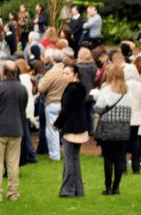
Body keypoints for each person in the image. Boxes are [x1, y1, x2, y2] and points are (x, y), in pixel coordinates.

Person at [0, 62, 28, 202]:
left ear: (3, 73)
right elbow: (23, 108)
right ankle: (13, 193)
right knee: (13, 163)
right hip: (16, 129)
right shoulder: (22, 89)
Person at [93, 63, 133, 195]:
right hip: (123, 128)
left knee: (108, 159)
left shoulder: (106, 91)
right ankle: (116, 187)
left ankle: (108, 187)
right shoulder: (127, 91)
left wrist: (95, 98)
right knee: (119, 158)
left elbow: (99, 109)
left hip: (108, 127)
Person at [54, 63, 89, 198]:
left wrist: (57, 123)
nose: (65, 76)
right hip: (80, 126)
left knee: (69, 159)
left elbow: (66, 109)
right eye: (64, 73)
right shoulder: (80, 89)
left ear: (75, 75)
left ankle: (68, 189)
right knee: (74, 159)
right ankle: (78, 190)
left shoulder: (71, 89)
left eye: (67, 73)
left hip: (71, 127)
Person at [39, 57, 68, 161]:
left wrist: (39, 82)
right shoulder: (67, 72)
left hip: (53, 102)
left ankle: (55, 155)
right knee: (63, 129)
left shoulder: (51, 73)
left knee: (52, 129)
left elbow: (42, 88)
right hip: (64, 103)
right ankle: (65, 153)